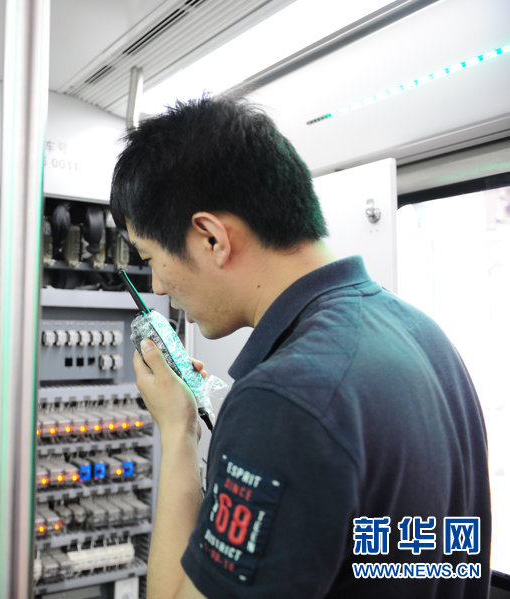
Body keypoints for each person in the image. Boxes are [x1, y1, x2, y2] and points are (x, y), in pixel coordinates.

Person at [109, 96, 490, 598]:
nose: (157, 285)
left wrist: (178, 435)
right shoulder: (424, 335)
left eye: (151, 257)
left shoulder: (282, 400)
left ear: (211, 239)